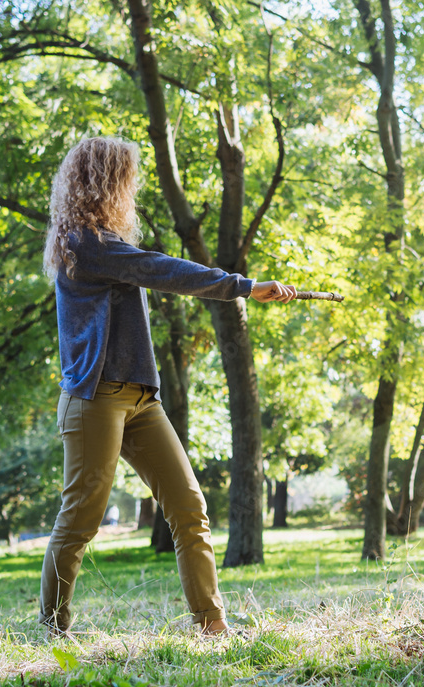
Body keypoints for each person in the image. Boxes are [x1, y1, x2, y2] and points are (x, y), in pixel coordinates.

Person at [39, 137, 296, 638]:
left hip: (139, 399)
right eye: (126, 178)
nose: (131, 188)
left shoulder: (103, 244)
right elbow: (160, 269)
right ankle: (54, 630)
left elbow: (147, 268)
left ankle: (212, 624)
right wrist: (243, 286)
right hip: (95, 399)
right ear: (104, 181)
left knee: (188, 507)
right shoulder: (84, 244)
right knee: (80, 521)